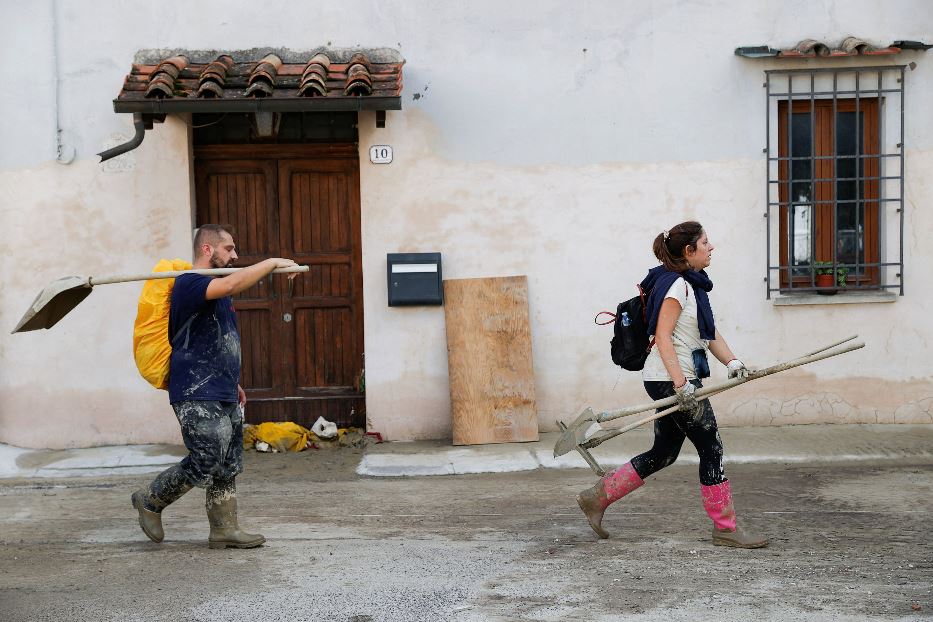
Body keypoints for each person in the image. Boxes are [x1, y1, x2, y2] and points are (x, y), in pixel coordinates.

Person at [577, 221, 768, 548]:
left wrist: (733, 362)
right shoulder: (676, 286)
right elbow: (662, 337)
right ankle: (725, 528)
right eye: (705, 243)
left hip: (669, 378)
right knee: (711, 447)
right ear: (688, 251)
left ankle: (598, 497)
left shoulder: (691, 285)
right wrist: (681, 385)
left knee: (664, 453)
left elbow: (707, 333)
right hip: (671, 380)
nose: (712, 248)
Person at [131, 224, 298, 549]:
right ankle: (150, 499)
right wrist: (274, 261)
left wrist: (233, 381)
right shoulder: (190, 283)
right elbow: (235, 280)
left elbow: (216, 339)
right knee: (206, 457)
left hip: (220, 388)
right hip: (195, 389)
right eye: (229, 249)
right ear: (208, 249)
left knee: (228, 463)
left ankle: (224, 528)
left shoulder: (216, 290)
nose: (235, 255)